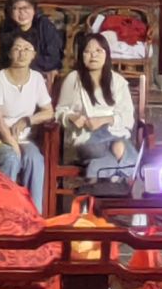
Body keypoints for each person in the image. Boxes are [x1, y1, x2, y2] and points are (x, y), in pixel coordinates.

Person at [56, 31, 137, 179]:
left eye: (99, 51)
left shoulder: (118, 81)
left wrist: (104, 120)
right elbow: (60, 111)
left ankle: (96, 177)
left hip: (113, 133)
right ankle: (116, 183)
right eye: (88, 51)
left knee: (119, 145)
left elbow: (127, 117)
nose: (93, 55)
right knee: (121, 152)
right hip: (86, 137)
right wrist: (72, 117)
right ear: (81, 56)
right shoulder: (73, 79)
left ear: (107, 54)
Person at [0, 32, 51, 208]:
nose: (22, 53)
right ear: (9, 53)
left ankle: (34, 214)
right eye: (17, 49)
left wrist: (27, 120)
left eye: (27, 49)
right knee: (10, 157)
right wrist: (13, 144)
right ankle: (3, 210)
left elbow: (49, 112)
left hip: (24, 139)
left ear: (34, 54)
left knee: (35, 159)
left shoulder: (37, 79)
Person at [0, 0, 64, 77]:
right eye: (16, 8)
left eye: (26, 8)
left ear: (34, 10)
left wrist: (26, 67)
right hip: (15, 73)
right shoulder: (6, 27)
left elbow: (53, 59)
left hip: (41, 72)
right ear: (10, 12)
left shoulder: (44, 25)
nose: (22, 13)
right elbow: (5, 59)